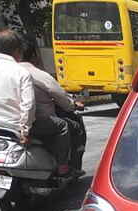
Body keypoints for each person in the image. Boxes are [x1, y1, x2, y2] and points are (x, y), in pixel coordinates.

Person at [18, 38, 85, 176]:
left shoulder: (7, 72)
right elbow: (60, 96)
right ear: (35, 55)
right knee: (68, 126)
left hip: (7, 121)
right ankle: (65, 167)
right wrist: (73, 105)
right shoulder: (37, 74)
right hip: (35, 122)